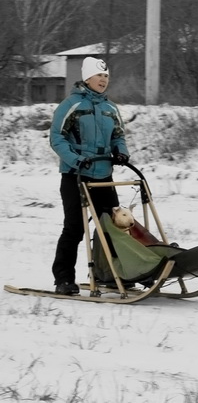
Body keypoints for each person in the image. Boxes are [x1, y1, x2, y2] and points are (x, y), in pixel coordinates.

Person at [48, 56, 130, 295]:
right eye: (99, 76)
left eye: (106, 76)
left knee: (111, 226)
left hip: (103, 175)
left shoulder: (109, 108)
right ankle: (63, 279)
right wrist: (76, 160)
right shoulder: (71, 104)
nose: (103, 80)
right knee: (74, 228)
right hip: (75, 175)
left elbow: (118, 136)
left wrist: (121, 153)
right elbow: (57, 138)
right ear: (87, 78)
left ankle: (110, 275)